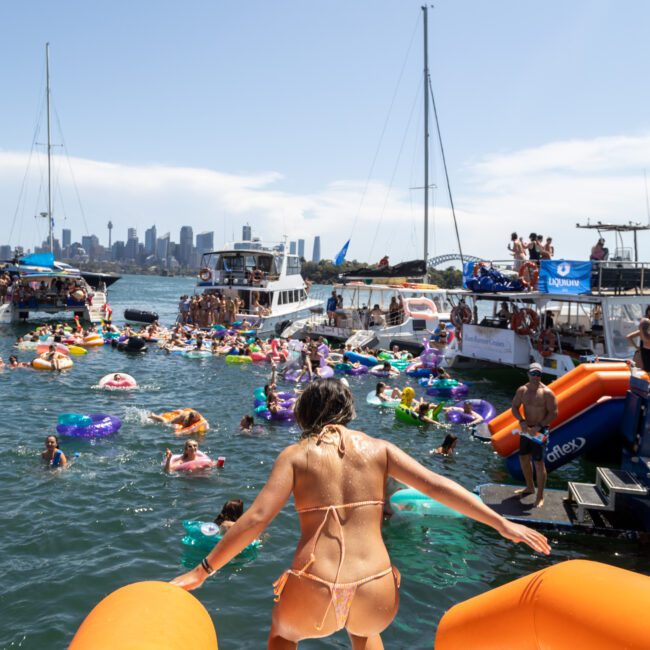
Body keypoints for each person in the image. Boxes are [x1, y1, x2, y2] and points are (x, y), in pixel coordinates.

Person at [171, 379, 549, 648]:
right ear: (348, 410)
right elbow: (437, 486)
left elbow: (255, 519)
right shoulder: (379, 449)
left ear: (304, 413)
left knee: (283, 636)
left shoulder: (297, 455)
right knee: (365, 634)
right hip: (377, 585)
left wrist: (201, 572)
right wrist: (501, 523)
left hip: (315, 584)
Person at [511, 362, 559, 508]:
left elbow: (554, 413)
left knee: (538, 463)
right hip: (526, 429)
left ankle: (540, 496)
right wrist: (521, 421)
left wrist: (539, 426)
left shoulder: (547, 393)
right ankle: (530, 487)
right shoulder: (522, 390)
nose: (536, 376)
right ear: (528, 374)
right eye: (533, 373)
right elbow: (514, 407)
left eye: (538, 374)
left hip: (540, 430)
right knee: (523, 458)